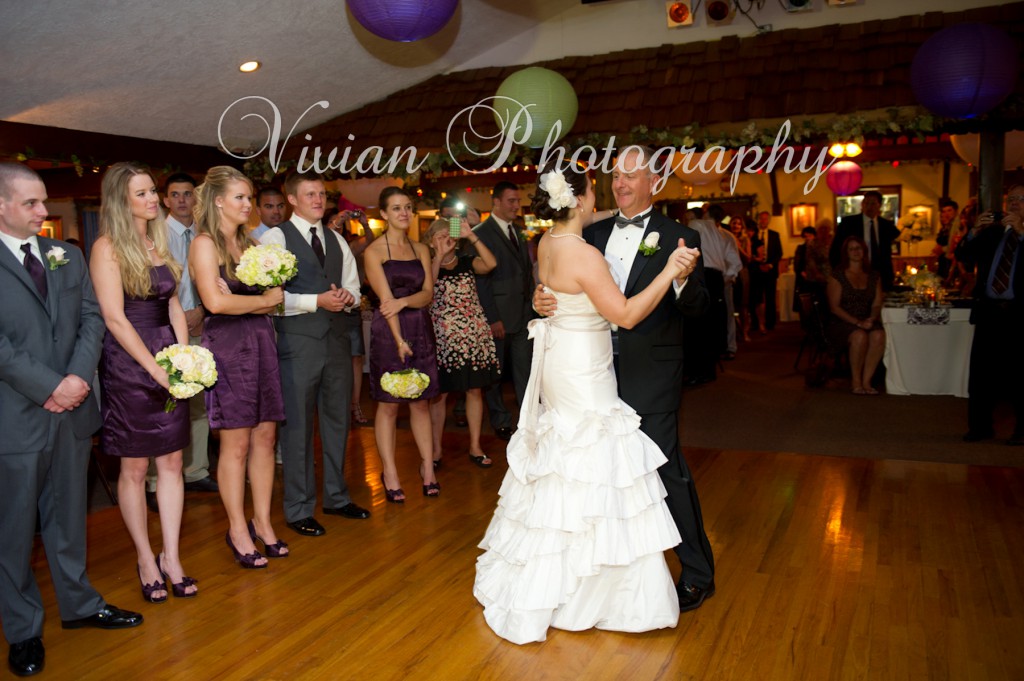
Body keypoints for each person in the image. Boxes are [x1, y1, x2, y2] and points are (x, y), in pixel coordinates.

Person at [475, 164, 699, 644]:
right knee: (597, 459)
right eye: (596, 188)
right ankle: (595, 588)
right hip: (583, 370)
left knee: (566, 462)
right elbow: (626, 314)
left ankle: (559, 576)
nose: (602, 193)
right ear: (577, 202)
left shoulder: (547, 244)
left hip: (565, 361)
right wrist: (667, 272)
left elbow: (552, 289)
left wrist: (542, 295)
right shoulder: (583, 252)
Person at [533, 147, 715, 614]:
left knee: (662, 472)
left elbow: (699, 310)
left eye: (632, 174)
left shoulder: (680, 236)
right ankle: (613, 575)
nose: (621, 182)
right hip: (589, 374)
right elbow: (561, 284)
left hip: (648, 373)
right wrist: (542, 299)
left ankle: (696, 572)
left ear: (656, 181)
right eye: (616, 174)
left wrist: (679, 281)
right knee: (599, 479)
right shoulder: (586, 231)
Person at [0, 163, 142, 678]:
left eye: (43, 202)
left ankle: (80, 606)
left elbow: (90, 318)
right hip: (16, 416)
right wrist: (49, 386)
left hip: (73, 409)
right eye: (31, 204)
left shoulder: (68, 255)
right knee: (14, 530)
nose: (44, 213)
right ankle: (22, 630)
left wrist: (78, 379)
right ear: (1, 205)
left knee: (67, 519)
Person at [90, 162, 198, 602]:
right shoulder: (106, 248)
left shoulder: (155, 243)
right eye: (142, 193)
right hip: (129, 365)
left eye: (153, 191)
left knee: (172, 463)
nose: (154, 199)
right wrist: (154, 369)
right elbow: (114, 318)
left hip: (168, 356)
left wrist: (184, 355)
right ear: (121, 200)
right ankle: (144, 558)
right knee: (135, 468)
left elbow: (172, 304)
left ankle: (171, 556)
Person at [190, 166, 288, 567]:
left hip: (262, 343)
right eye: (240, 198)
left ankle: (263, 522)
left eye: (249, 198)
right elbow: (215, 304)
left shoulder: (252, 242)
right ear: (218, 201)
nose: (248, 205)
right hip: (229, 348)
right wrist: (262, 302)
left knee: (265, 437)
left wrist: (260, 301)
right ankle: (236, 529)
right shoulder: (204, 244)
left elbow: (278, 293)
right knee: (237, 443)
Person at [262, 171, 369, 536]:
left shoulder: (337, 240)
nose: (318, 200)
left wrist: (347, 298)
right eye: (309, 194)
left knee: (338, 422)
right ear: (292, 199)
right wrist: (316, 301)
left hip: (337, 343)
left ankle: (337, 497)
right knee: (298, 429)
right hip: (296, 345)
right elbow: (270, 299)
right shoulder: (275, 238)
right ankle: (298, 508)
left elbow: (354, 287)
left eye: (321, 194)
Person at [364, 187, 441, 502]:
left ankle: (428, 468)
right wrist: (397, 340)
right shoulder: (374, 252)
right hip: (389, 332)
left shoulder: (421, 248)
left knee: (421, 401)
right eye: (396, 208)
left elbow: (428, 294)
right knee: (389, 404)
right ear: (383, 214)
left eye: (408, 207)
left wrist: (405, 300)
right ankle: (390, 472)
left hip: (420, 327)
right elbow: (385, 303)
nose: (404, 214)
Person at [152, 173, 217, 505]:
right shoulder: (155, 234)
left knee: (199, 400)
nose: (181, 200)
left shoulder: (206, 235)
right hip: (164, 327)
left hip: (204, 320)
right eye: (174, 195)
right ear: (165, 200)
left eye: (187, 194)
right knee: (165, 401)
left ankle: (196, 471)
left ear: (196, 199)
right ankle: (155, 480)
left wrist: (203, 312)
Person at [423, 218, 499, 470]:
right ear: (430, 240)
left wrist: (471, 235)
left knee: (475, 390)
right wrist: (438, 256)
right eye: (440, 234)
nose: (447, 237)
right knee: (439, 395)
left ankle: (475, 445)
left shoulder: (467, 261)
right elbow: (426, 290)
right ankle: (435, 450)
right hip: (442, 337)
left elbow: (491, 264)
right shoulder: (426, 265)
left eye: (450, 233)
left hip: (473, 336)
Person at [955, 185, 1023, 445]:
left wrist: (1021, 232)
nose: (1014, 203)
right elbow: (963, 254)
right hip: (988, 313)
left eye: (1021, 199)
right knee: (982, 374)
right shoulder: (994, 233)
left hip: (1019, 315)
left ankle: (1021, 430)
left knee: (1018, 375)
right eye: (1011, 199)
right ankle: (980, 427)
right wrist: (974, 231)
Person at [473, 181, 534, 441]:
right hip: (497, 315)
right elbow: (480, 281)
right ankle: (500, 419)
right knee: (494, 374)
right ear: (495, 202)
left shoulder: (518, 231)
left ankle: (529, 419)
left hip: (522, 313)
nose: (516, 206)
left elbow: (526, 270)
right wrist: (491, 317)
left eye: (518, 201)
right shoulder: (480, 233)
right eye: (511, 201)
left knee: (526, 371)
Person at [327, 208, 373, 426]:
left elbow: (370, 240)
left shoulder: (347, 246)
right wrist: (337, 220)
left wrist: (364, 224)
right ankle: (335, 409)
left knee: (356, 357)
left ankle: (355, 405)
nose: (339, 223)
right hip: (326, 307)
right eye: (334, 221)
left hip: (350, 306)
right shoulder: (318, 244)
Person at [826, 236, 885, 395]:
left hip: (867, 317)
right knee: (859, 336)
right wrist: (858, 322)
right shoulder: (837, 275)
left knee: (879, 335)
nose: (855, 252)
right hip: (842, 320)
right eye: (851, 249)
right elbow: (834, 307)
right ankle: (856, 381)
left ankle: (867, 381)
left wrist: (872, 318)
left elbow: (877, 303)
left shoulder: (874, 275)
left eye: (858, 248)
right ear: (846, 253)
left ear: (864, 251)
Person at [831, 190, 902, 292]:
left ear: (879, 205)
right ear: (862, 204)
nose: (869, 206)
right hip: (855, 272)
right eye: (866, 203)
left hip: (881, 273)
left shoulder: (887, 225)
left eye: (873, 203)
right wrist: (841, 272)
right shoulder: (849, 223)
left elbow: (896, 240)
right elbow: (836, 249)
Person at [750, 211, 782, 332]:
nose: (763, 221)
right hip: (756, 271)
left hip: (770, 271)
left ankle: (770, 322)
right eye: (761, 219)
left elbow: (779, 253)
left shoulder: (774, 235)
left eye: (765, 219)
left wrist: (770, 265)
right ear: (759, 220)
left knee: (770, 297)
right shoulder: (754, 234)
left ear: (768, 220)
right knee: (756, 298)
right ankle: (756, 322)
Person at [727, 215, 752, 342]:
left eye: (738, 224)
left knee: (743, 304)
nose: (735, 226)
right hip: (729, 272)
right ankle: (735, 332)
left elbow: (748, 258)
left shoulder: (745, 239)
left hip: (742, 272)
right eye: (733, 223)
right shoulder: (726, 237)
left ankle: (745, 332)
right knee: (731, 304)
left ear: (742, 226)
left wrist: (738, 246)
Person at [933, 198, 959, 280]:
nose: (946, 214)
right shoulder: (947, 225)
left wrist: (943, 249)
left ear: (956, 211)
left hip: (954, 259)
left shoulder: (958, 223)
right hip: (944, 259)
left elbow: (955, 243)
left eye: (949, 210)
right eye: (944, 211)